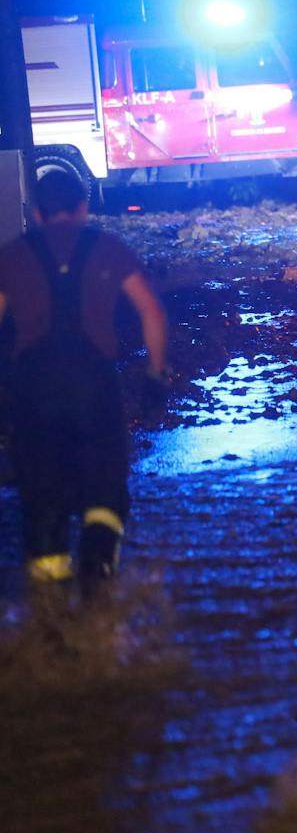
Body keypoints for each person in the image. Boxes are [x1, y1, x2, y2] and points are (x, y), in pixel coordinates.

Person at [0, 170, 169, 600]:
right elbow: (151, 311)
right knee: (105, 492)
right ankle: (99, 583)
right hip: (93, 385)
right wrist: (154, 376)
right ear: (83, 207)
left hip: (34, 388)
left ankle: (50, 625)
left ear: (36, 213)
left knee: (42, 501)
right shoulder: (108, 247)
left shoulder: (14, 254)